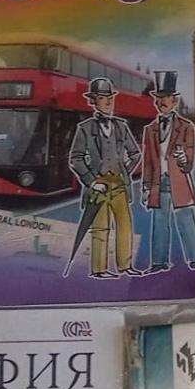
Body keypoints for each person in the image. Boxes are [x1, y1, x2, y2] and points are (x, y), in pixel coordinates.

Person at [68, 77, 142, 279]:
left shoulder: (121, 126)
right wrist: (92, 181)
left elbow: (135, 154)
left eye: (110, 97)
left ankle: (125, 266)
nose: (109, 101)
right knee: (100, 228)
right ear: (93, 101)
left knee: (125, 225)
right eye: (103, 98)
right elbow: (75, 159)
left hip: (119, 184)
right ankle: (99, 269)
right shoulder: (85, 128)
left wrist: (125, 171)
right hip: (98, 185)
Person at [139, 70, 195, 273]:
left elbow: (190, 154)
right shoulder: (150, 129)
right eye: (157, 99)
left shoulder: (187, 127)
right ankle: (159, 262)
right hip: (158, 183)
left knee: (186, 218)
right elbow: (148, 162)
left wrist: (185, 159)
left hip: (178, 181)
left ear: (175, 101)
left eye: (164, 98)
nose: (160, 103)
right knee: (159, 221)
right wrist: (146, 187)